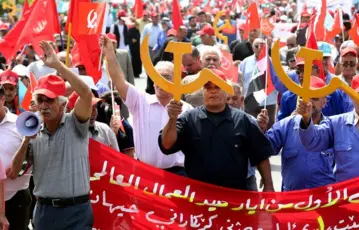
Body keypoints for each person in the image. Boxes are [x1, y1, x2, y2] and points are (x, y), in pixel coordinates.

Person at [7, 40, 93, 229]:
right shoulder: (32, 131)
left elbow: (86, 94)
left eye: (50, 101)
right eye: (41, 100)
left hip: (76, 211)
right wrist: (26, 140)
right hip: (45, 212)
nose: (44, 106)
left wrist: (57, 64)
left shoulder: (75, 123)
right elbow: (14, 172)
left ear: (62, 104)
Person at [159, 69, 275, 191]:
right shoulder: (188, 119)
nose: (213, 91)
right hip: (197, 195)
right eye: (208, 87)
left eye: (218, 87)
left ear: (226, 92)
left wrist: (268, 185)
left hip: (235, 195)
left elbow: (261, 155)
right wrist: (172, 119)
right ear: (202, 92)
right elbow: (167, 145)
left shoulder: (243, 120)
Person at [102, 35, 192, 175]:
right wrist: (110, 54)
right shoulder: (140, 100)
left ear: (176, 80)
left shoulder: (187, 109)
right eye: (157, 76)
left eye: (166, 77)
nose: (160, 81)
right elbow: (118, 80)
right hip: (145, 173)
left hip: (178, 175)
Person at [260, 76, 335, 191]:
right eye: (305, 97)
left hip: (323, 202)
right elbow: (264, 149)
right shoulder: (286, 125)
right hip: (293, 202)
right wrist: (261, 130)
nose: (309, 103)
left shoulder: (332, 128)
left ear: (324, 102)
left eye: (314, 98)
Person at [0, 85, 30, 230]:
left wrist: (21, 168)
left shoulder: (19, 124)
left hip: (16, 199)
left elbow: (34, 155)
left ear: (2, 100)